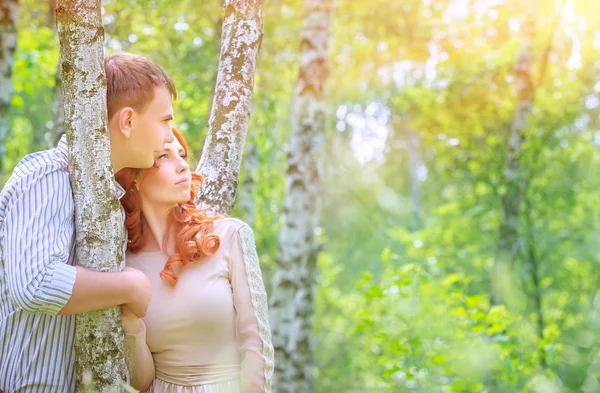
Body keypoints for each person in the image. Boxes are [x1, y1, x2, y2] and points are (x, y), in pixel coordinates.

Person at [0, 52, 178, 393]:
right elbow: (36, 282)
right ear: (127, 122)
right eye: (164, 121)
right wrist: (131, 286)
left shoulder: (108, 200)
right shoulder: (49, 176)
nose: (170, 136)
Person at [115, 128, 274, 393]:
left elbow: (256, 347)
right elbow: (140, 382)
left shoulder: (228, 236)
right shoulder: (125, 264)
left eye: (183, 155)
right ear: (135, 177)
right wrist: (131, 323)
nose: (182, 167)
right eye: (164, 156)